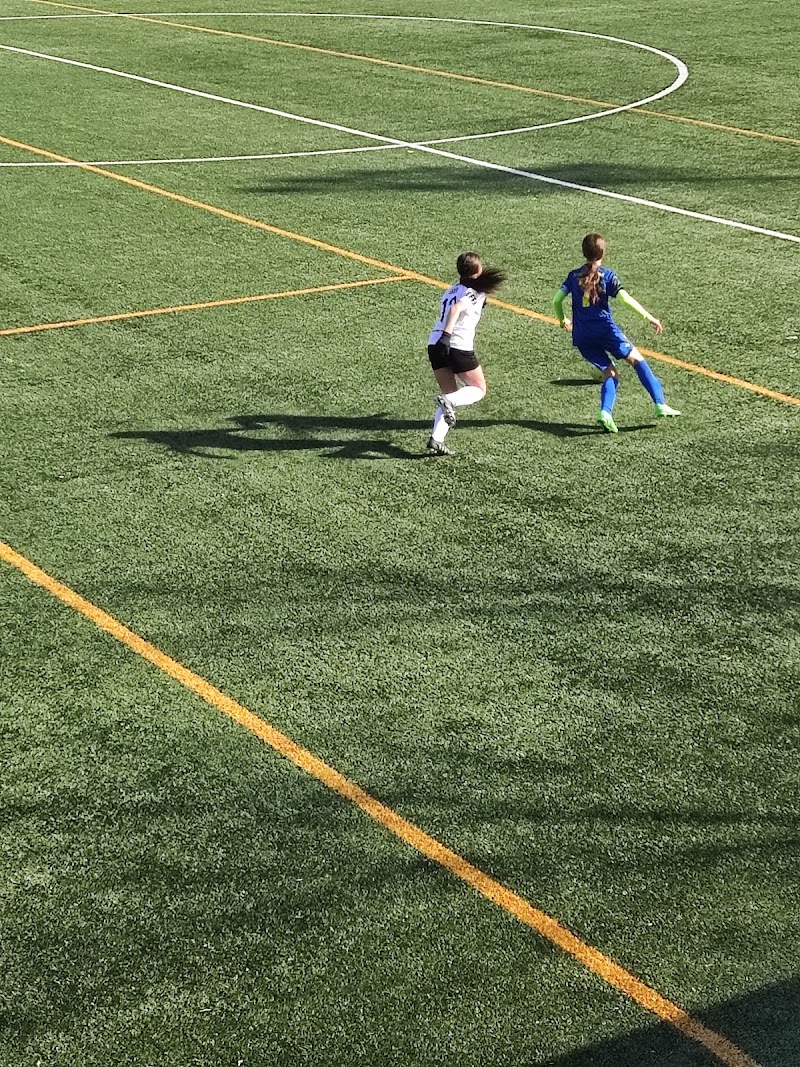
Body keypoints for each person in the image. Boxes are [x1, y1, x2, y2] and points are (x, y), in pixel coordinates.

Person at [553, 234, 681, 433]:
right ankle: (659, 404)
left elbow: (556, 300)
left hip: (582, 335)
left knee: (610, 373)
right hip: (605, 330)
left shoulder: (573, 276)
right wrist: (650, 318)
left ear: (583, 253)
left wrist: (563, 320)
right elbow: (625, 300)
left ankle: (605, 413)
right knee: (637, 360)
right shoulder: (608, 276)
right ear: (603, 253)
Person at [426, 252, 507, 455]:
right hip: (455, 343)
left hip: (434, 344)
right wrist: (447, 335)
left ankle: (436, 439)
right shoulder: (473, 293)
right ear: (477, 271)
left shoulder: (450, 289)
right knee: (478, 389)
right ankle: (449, 403)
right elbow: (455, 310)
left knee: (449, 394)